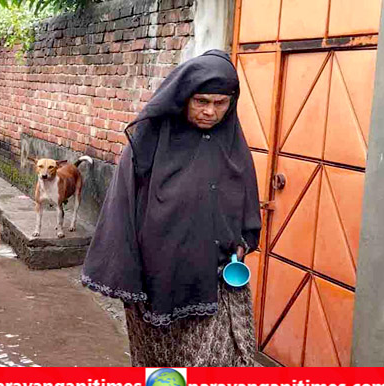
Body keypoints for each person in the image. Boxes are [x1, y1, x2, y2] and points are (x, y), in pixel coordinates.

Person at [81, 50, 261, 367]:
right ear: (183, 98)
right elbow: (120, 211)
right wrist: (129, 273)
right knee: (162, 367)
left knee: (222, 361)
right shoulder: (149, 142)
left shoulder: (231, 141)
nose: (211, 112)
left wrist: (243, 240)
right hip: (156, 279)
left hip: (216, 279)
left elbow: (244, 196)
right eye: (201, 101)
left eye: (221, 103)